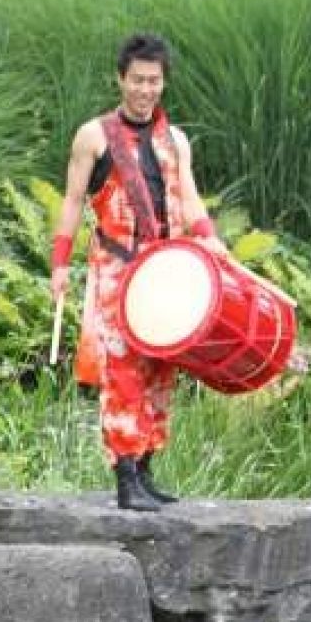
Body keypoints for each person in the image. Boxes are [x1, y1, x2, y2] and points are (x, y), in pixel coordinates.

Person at [49, 33, 227, 512]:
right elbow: (71, 201)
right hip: (117, 268)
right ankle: (125, 479)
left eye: (154, 81)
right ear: (120, 79)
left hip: (166, 270)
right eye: (137, 80)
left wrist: (212, 239)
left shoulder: (176, 140)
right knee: (123, 371)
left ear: (163, 82)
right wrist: (60, 264)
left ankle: (146, 471)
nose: (145, 90)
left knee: (161, 371)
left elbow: (189, 198)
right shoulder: (93, 136)